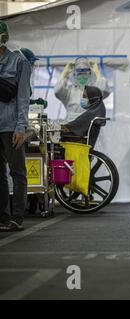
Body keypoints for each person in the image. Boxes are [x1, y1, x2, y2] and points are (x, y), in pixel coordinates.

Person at [0, 20, 32, 232]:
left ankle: (17, 217)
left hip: (11, 126)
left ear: (3, 36)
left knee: (17, 172)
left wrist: (21, 127)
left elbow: (23, 98)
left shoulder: (19, 62)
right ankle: (3, 217)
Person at [55, 57, 110, 122]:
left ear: (90, 75)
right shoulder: (69, 92)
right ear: (74, 76)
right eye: (79, 74)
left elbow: (104, 90)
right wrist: (65, 73)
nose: (82, 77)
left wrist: (97, 72)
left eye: (84, 74)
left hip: (89, 127)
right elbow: (58, 90)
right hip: (71, 126)